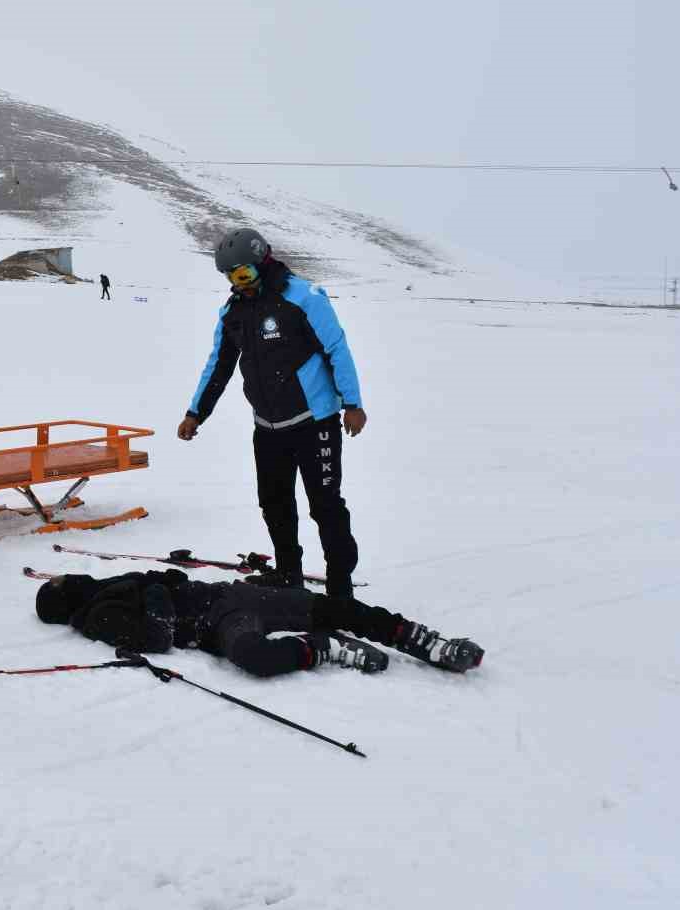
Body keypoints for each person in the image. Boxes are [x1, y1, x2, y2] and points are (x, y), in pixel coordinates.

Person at [178, 227, 365, 597]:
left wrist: (352, 403)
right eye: (231, 278)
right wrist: (196, 413)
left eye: (244, 275)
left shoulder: (305, 298)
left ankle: (340, 587)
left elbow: (337, 350)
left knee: (326, 507)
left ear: (262, 262)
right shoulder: (233, 312)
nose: (239, 284)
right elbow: (219, 365)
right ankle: (288, 574)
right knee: (275, 504)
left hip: (315, 423)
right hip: (267, 428)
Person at [35, 569, 484, 677]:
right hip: (219, 622)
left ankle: (425, 642)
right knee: (254, 658)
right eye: (60, 581)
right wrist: (156, 592)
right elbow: (159, 634)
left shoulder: (108, 585)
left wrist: (160, 582)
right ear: (64, 599)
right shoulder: (98, 617)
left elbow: (168, 581)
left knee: (333, 605)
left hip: (229, 593)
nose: (67, 575)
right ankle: (323, 648)